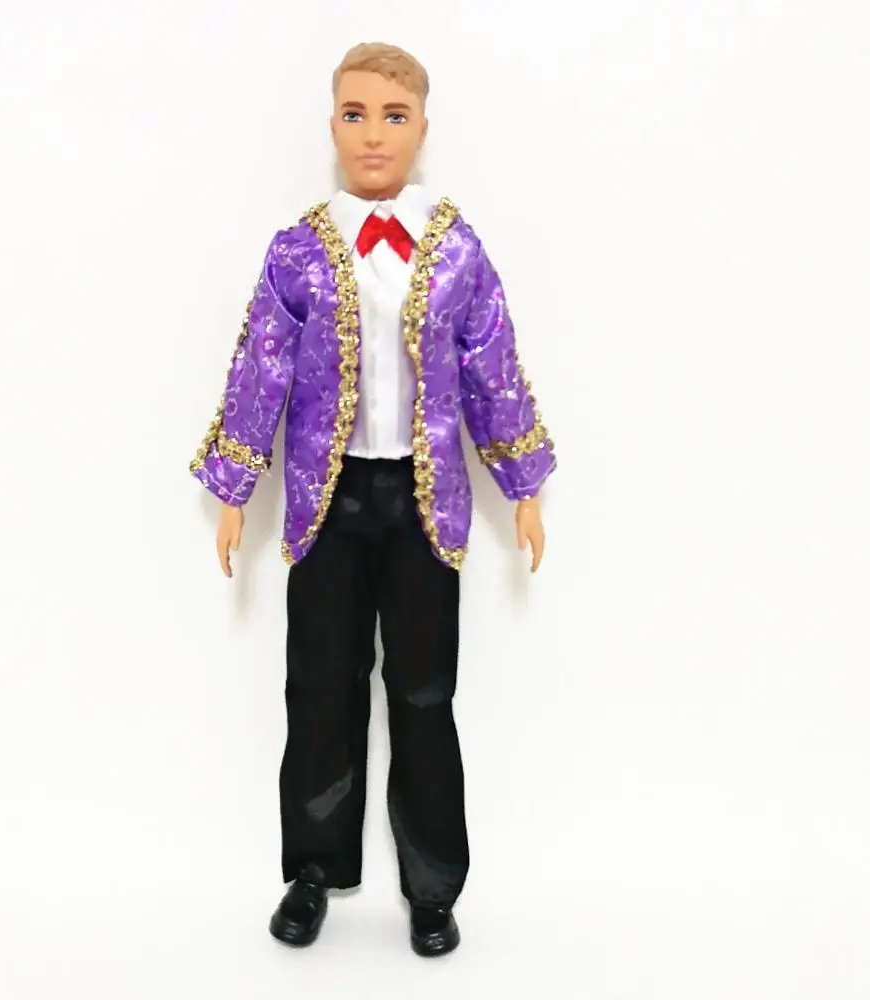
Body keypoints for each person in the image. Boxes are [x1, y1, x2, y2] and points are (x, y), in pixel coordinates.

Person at [189, 41, 557, 957]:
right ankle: (314, 870)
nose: (374, 135)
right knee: (321, 684)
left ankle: (433, 886)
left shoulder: (457, 249)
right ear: (332, 126)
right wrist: (235, 486)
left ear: (423, 128)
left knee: (424, 693)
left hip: (426, 503)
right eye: (355, 115)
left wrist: (522, 485)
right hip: (328, 498)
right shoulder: (299, 251)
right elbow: (261, 368)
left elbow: (491, 364)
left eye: (394, 116)